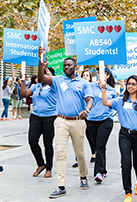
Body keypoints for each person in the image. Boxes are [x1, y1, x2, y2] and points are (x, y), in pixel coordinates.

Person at [37, 46, 93, 198]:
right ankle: (61, 186)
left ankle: (83, 176)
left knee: (80, 153)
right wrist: (40, 60)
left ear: (75, 67)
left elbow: (89, 99)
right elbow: (42, 77)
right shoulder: (57, 80)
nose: (66, 67)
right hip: (61, 120)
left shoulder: (83, 83)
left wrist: (86, 110)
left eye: (69, 65)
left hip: (78, 121)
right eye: (64, 65)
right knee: (61, 153)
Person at [101, 75, 137, 202]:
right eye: (129, 83)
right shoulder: (120, 100)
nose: (130, 86)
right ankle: (127, 192)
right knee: (126, 164)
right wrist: (103, 89)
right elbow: (106, 102)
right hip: (124, 135)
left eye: (134, 84)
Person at [20, 64, 57, 178]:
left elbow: (52, 80)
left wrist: (45, 68)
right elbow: (24, 94)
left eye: (44, 74)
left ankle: (49, 168)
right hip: (36, 116)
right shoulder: (36, 86)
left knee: (48, 144)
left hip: (50, 117)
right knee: (32, 141)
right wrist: (22, 81)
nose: (41, 76)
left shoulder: (54, 86)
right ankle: (41, 164)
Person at [86, 67, 117, 183]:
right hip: (91, 120)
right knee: (96, 146)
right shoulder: (90, 87)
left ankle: (98, 172)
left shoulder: (112, 91)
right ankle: (103, 169)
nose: (100, 76)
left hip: (105, 120)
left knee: (100, 145)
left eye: (103, 74)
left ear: (108, 76)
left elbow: (114, 105)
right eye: (99, 73)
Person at [72, 69, 96, 168]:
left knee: (90, 136)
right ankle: (77, 159)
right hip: (79, 115)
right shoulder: (79, 86)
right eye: (84, 75)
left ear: (90, 78)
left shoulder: (92, 87)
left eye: (87, 75)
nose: (85, 76)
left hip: (90, 116)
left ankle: (93, 153)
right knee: (78, 137)